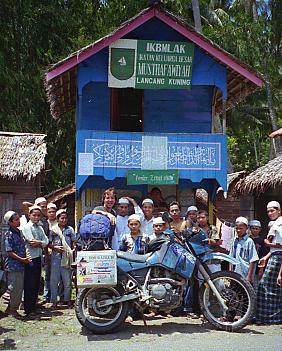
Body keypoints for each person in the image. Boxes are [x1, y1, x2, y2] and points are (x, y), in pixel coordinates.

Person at [256, 201, 282, 325]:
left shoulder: (280, 224)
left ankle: (272, 318)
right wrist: (266, 257)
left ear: (279, 211)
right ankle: (265, 317)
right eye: (268, 211)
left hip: (279, 260)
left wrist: (268, 243)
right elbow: (275, 249)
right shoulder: (276, 224)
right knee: (268, 288)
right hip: (274, 256)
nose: (270, 213)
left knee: (268, 288)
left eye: (273, 210)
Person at [3, 211, 32, 317]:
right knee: (15, 288)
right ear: (10, 223)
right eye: (16, 220)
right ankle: (13, 310)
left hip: (21, 264)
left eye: (18, 218)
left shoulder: (19, 232)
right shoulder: (9, 235)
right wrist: (22, 259)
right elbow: (9, 252)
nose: (18, 221)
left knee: (18, 287)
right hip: (13, 265)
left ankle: (11, 308)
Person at [22, 206, 48, 317]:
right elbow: (32, 242)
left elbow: (46, 241)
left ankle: (33, 307)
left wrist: (40, 243)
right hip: (30, 258)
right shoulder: (27, 227)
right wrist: (40, 243)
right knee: (29, 284)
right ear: (29, 215)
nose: (36, 217)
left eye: (38, 215)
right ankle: (28, 309)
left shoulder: (39, 227)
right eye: (34, 215)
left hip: (38, 257)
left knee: (36, 283)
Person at [49, 209, 75, 308]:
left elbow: (74, 241)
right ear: (57, 219)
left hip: (67, 258)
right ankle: (54, 301)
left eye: (65, 218)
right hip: (56, 258)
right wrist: (55, 248)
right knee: (54, 281)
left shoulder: (70, 229)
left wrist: (72, 250)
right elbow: (49, 243)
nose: (64, 220)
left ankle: (67, 300)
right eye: (62, 218)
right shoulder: (53, 230)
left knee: (67, 281)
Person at [229, 217, 259, 282]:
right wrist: (230, 272)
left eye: (241, 228)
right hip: (235, 274)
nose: (238, 230)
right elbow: (230, 258)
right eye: (237, 228)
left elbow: (253, 260)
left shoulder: (249, 241)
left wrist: (249, 276)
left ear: (246, 228)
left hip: (245, 274)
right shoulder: (234, 240)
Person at [249, 220, 269, 290]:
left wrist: (261, 269)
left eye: (256, 228)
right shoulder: (247, 239)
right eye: (253, 228)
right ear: (250, 229)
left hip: (257, 267)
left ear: (260, 229)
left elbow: (263, 255)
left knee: (256, 286)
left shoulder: (262, 241)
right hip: (247, 266)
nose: (254, 230)